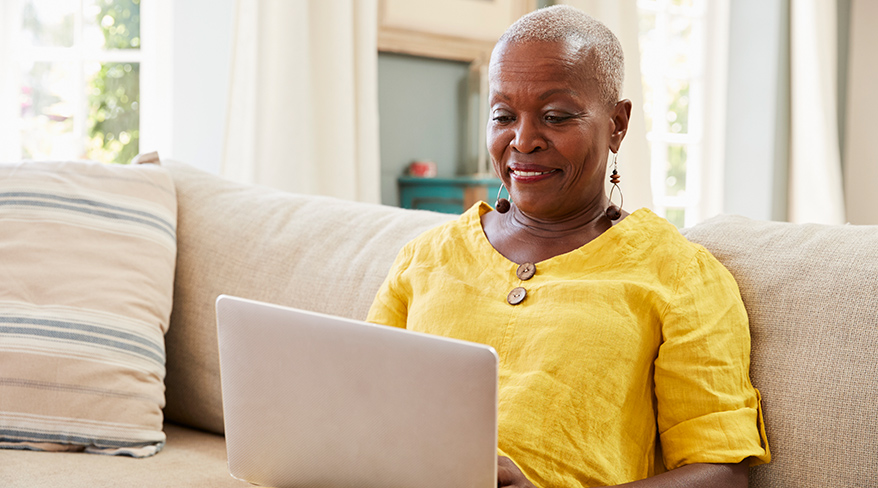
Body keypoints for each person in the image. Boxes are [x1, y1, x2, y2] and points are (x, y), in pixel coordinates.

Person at [367, 5, 770, 487]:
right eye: (503, 116)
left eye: (555, 116)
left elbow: (721, 474)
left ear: (617, 124)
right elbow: (356, 401)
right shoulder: (427, 257)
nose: (523, 140)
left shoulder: (679, 275)